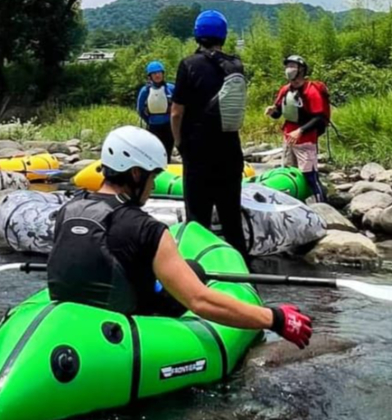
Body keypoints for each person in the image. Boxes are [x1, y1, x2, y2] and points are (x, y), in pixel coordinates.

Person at [46, 126, 311, 346]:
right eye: (153, 177)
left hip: (72, 316)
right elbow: (200, 301)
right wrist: (275, 318)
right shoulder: (147, 229)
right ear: (136, 173)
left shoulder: (68, 210)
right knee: (195, 270)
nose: (152, 186)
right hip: (126, 324)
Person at [169, 9, 250, 259]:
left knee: (197, 221)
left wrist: (179, 143)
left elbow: (176, 113)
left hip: (198, 153)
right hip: (230, 152)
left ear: (197, 34)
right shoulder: (235, 65)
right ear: (223, 35)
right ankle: (242, 274)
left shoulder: (188, 64)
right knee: (231, 220)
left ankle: (200, 277)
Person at [266, 55, 329, 201]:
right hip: (289, 138)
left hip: (306, 139)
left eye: (293, 66)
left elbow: (319, 118)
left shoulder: (311, 91)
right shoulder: (285, 90)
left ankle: (323, 206)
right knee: (289, 173)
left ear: (301, 70)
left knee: (310, 176)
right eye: (288, 66)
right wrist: (272, 111)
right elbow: (278, 113)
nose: (289, 69)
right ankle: (295, 203)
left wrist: (300, 131)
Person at [135, 60, 175, 160]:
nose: (157, 75)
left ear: (163, 74)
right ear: (150, 76)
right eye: (154, 73)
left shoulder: (171, 88)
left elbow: (179, 106)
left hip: (168, 125)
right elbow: (140, 109)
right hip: (153, 126)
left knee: (167, 152)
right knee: (155, 153)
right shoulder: (145, 90)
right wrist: (148, 120)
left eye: (159, 73)